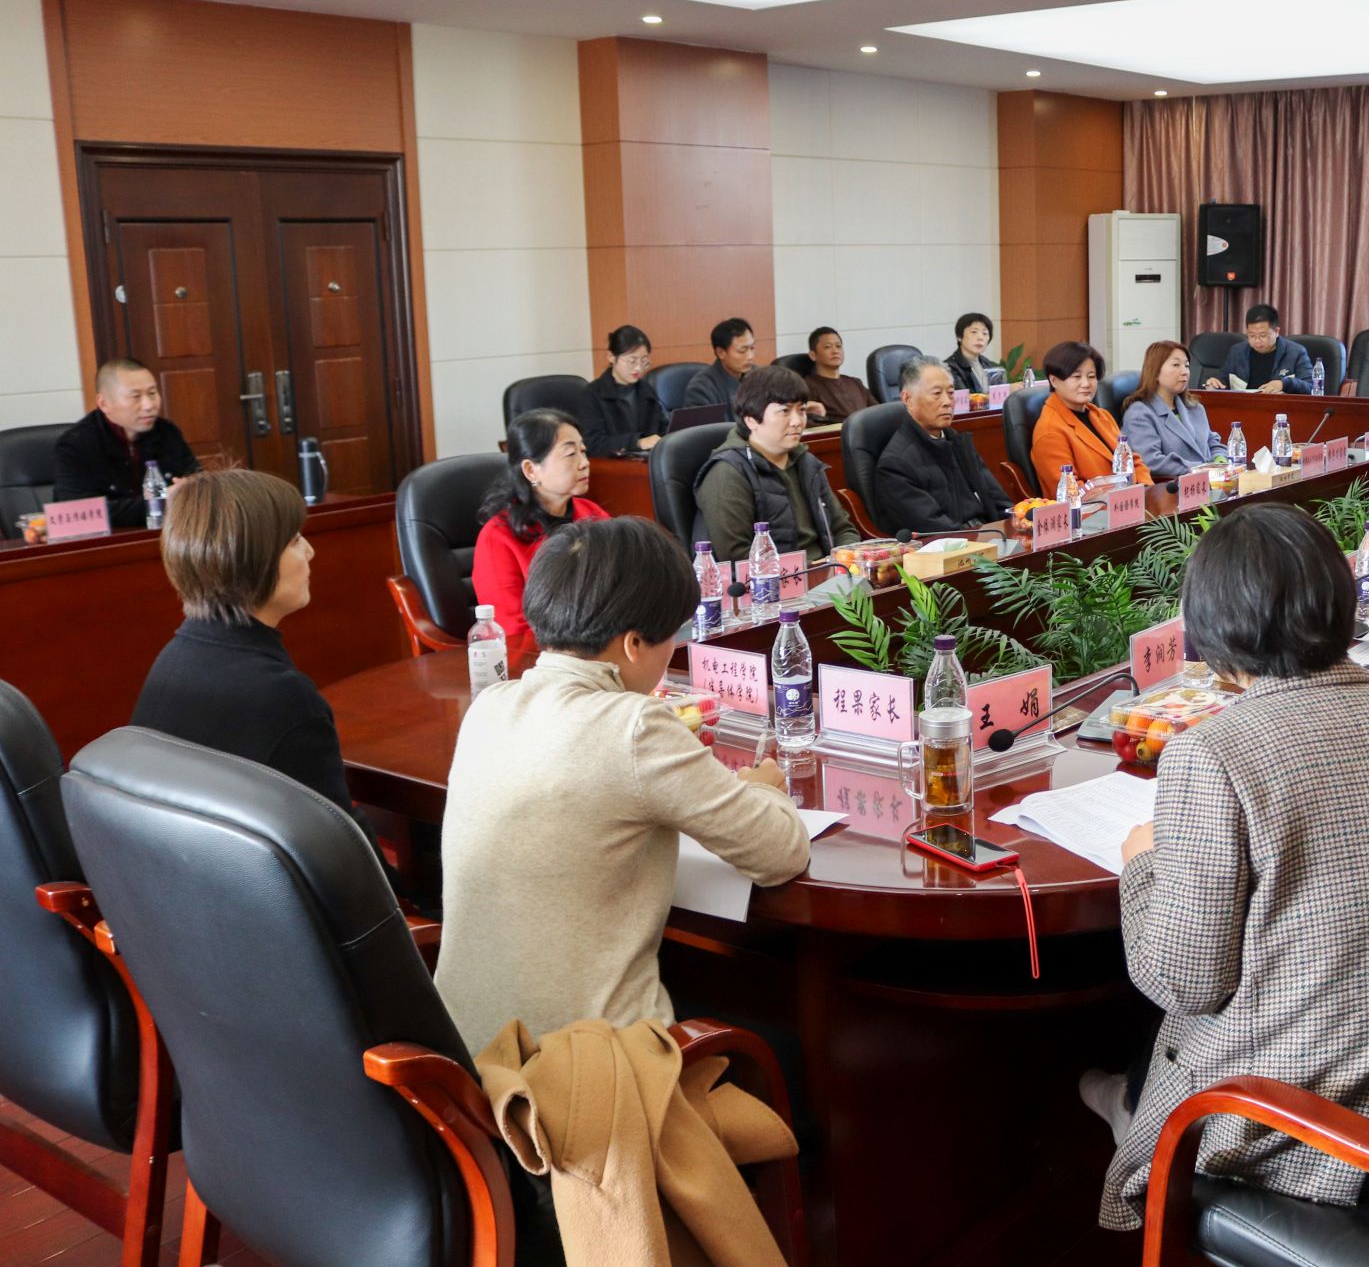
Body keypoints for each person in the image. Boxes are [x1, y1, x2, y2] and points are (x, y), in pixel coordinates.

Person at [1089, 503, 1369, 1238]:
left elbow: (1185, 982)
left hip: (1293, 1126)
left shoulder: (1212, 753)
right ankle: (1126, 1096)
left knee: (1174, 1031)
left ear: (1214, 630)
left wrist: (1143, 866)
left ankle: (1129, 1110)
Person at [434, 516, 809, 1054]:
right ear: (634, 644)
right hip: (585, 1076)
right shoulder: (634, 726)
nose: (672, 650)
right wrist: (764, 788)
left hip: (463, 1064)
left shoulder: (489, 707)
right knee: (788, 1043)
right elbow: (781, 852)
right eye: (672, 637)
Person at [130, 467, 396, 889]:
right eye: (294, 541)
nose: (310, 552)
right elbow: (343, 859)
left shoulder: (174, 658)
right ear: (248, 558)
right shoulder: (281, 696)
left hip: (193, 896)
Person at [693, 365, 857, 563]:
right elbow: (737, 557)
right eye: (784, 411)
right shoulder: (727, 473)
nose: (797, 421)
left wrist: (843, 559)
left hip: (829, 572)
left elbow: (843, 529)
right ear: (751, 420)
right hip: (776, 580)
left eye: (802, 410)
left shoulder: (806, 462)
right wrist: (812, 568)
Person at [474, 408, 611, 644]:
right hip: (540, 654)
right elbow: (512, 629)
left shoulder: (592, 514)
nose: (585, 463)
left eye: (583, 451)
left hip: (601, 643)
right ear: (530, 470)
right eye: (571, 454)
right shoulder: (498, 537)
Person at [53, 358, 202, 528]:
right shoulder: (75, 444)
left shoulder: (167, 432)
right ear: (104, 403)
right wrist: (161, 501)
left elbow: (197, 485)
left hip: (167, 534)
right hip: (107, 540)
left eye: (152, 393)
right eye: (135, 396)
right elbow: (77, 512)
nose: (148, 405)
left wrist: (189, 489)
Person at [873, 356, 1011, 534]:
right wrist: (985, 538)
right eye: (937, 394)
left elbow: (997, 499)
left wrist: (1015, 524)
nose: (947, 402)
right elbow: (933, 526)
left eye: (951, 393)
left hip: (987, 534)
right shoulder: (895, 464)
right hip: (953, 544)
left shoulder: (958, 442)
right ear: (907, 399)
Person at [1031, 341, 1153, 492]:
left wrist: (1146, 490)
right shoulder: (1050, 431)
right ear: (1054, 381)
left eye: (1091, 376)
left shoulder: (1102, 416)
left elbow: (1133, 461)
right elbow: (1070, 491)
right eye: (1076, 376)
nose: (1086, 383)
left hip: (1129, 500)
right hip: (1095, 505)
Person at [1118, 340, 1223, 479]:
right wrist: (1200, 469)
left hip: (1210, 482)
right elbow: (1150, 461)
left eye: (1186, 366)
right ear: (1155, 372)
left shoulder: (1195, 408)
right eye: (1176, 365)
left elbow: (1212, 443)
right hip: (1171, 487)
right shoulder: (1139, 414)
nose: (1184, 372)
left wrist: (1221, 461)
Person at [583, 324, 666, 456]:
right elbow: (592, 443)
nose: (638, 368)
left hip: (646, 460)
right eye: (632, 361)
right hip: (612, 464)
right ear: (611, 357)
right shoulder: (592, 394)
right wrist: (637, 442)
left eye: (644, 361)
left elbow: (662, 428)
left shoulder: (645, 389)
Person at [1204, 303, 1314, 393]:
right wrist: (1215, 383)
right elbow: (1223, 381)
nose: (1257, 341)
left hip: (1280, 409)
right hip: (1243, 408)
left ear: (1276, 332)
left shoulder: (1296, 353)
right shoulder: (1237, 352)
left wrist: (1284, 384)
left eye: (1263, 335)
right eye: (1252, 335)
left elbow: (1311, 387)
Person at [680, 317, 760, 418]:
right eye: (742, 350)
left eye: (752, 348)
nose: (750, 356)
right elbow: (706, 427)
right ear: (721, 352)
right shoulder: (701, 388)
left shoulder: (760, 377)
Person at [803, 326, 876, 423]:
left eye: (838, 346)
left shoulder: (855, 382)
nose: (835, 351)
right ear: (813, 355)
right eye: (828, 347)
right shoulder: (808, 385)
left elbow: (878, 411)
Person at [943, 312, 1007, 395]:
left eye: (985, 333)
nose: (980, 337)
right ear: (959, 337)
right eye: (974, 332)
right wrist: (1006, 390)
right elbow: (962, 399)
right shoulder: (949, 367)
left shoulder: (988, 364)